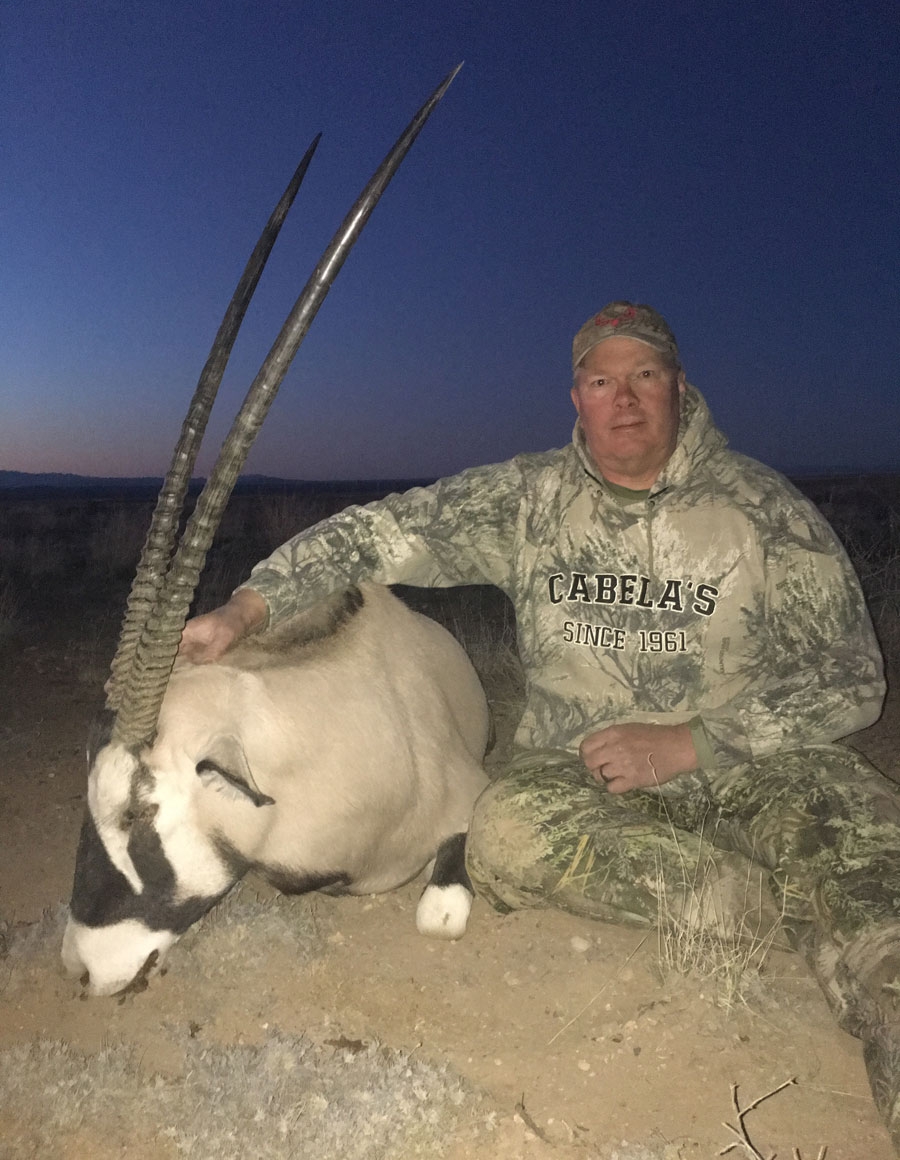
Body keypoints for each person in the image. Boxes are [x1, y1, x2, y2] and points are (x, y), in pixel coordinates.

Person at [181, 301, 900, 1149]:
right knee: (504, 835)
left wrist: (693, 744)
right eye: (602, 381)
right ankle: (740, 902)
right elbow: (378, 534)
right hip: (581, 769)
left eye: (643, 377)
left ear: (677, 387)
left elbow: (851, 676)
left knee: (859, 854)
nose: (623, 398)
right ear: (577, 398)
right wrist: (248, 606)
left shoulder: (763, 506)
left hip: (752, 758)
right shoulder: (526, 500)